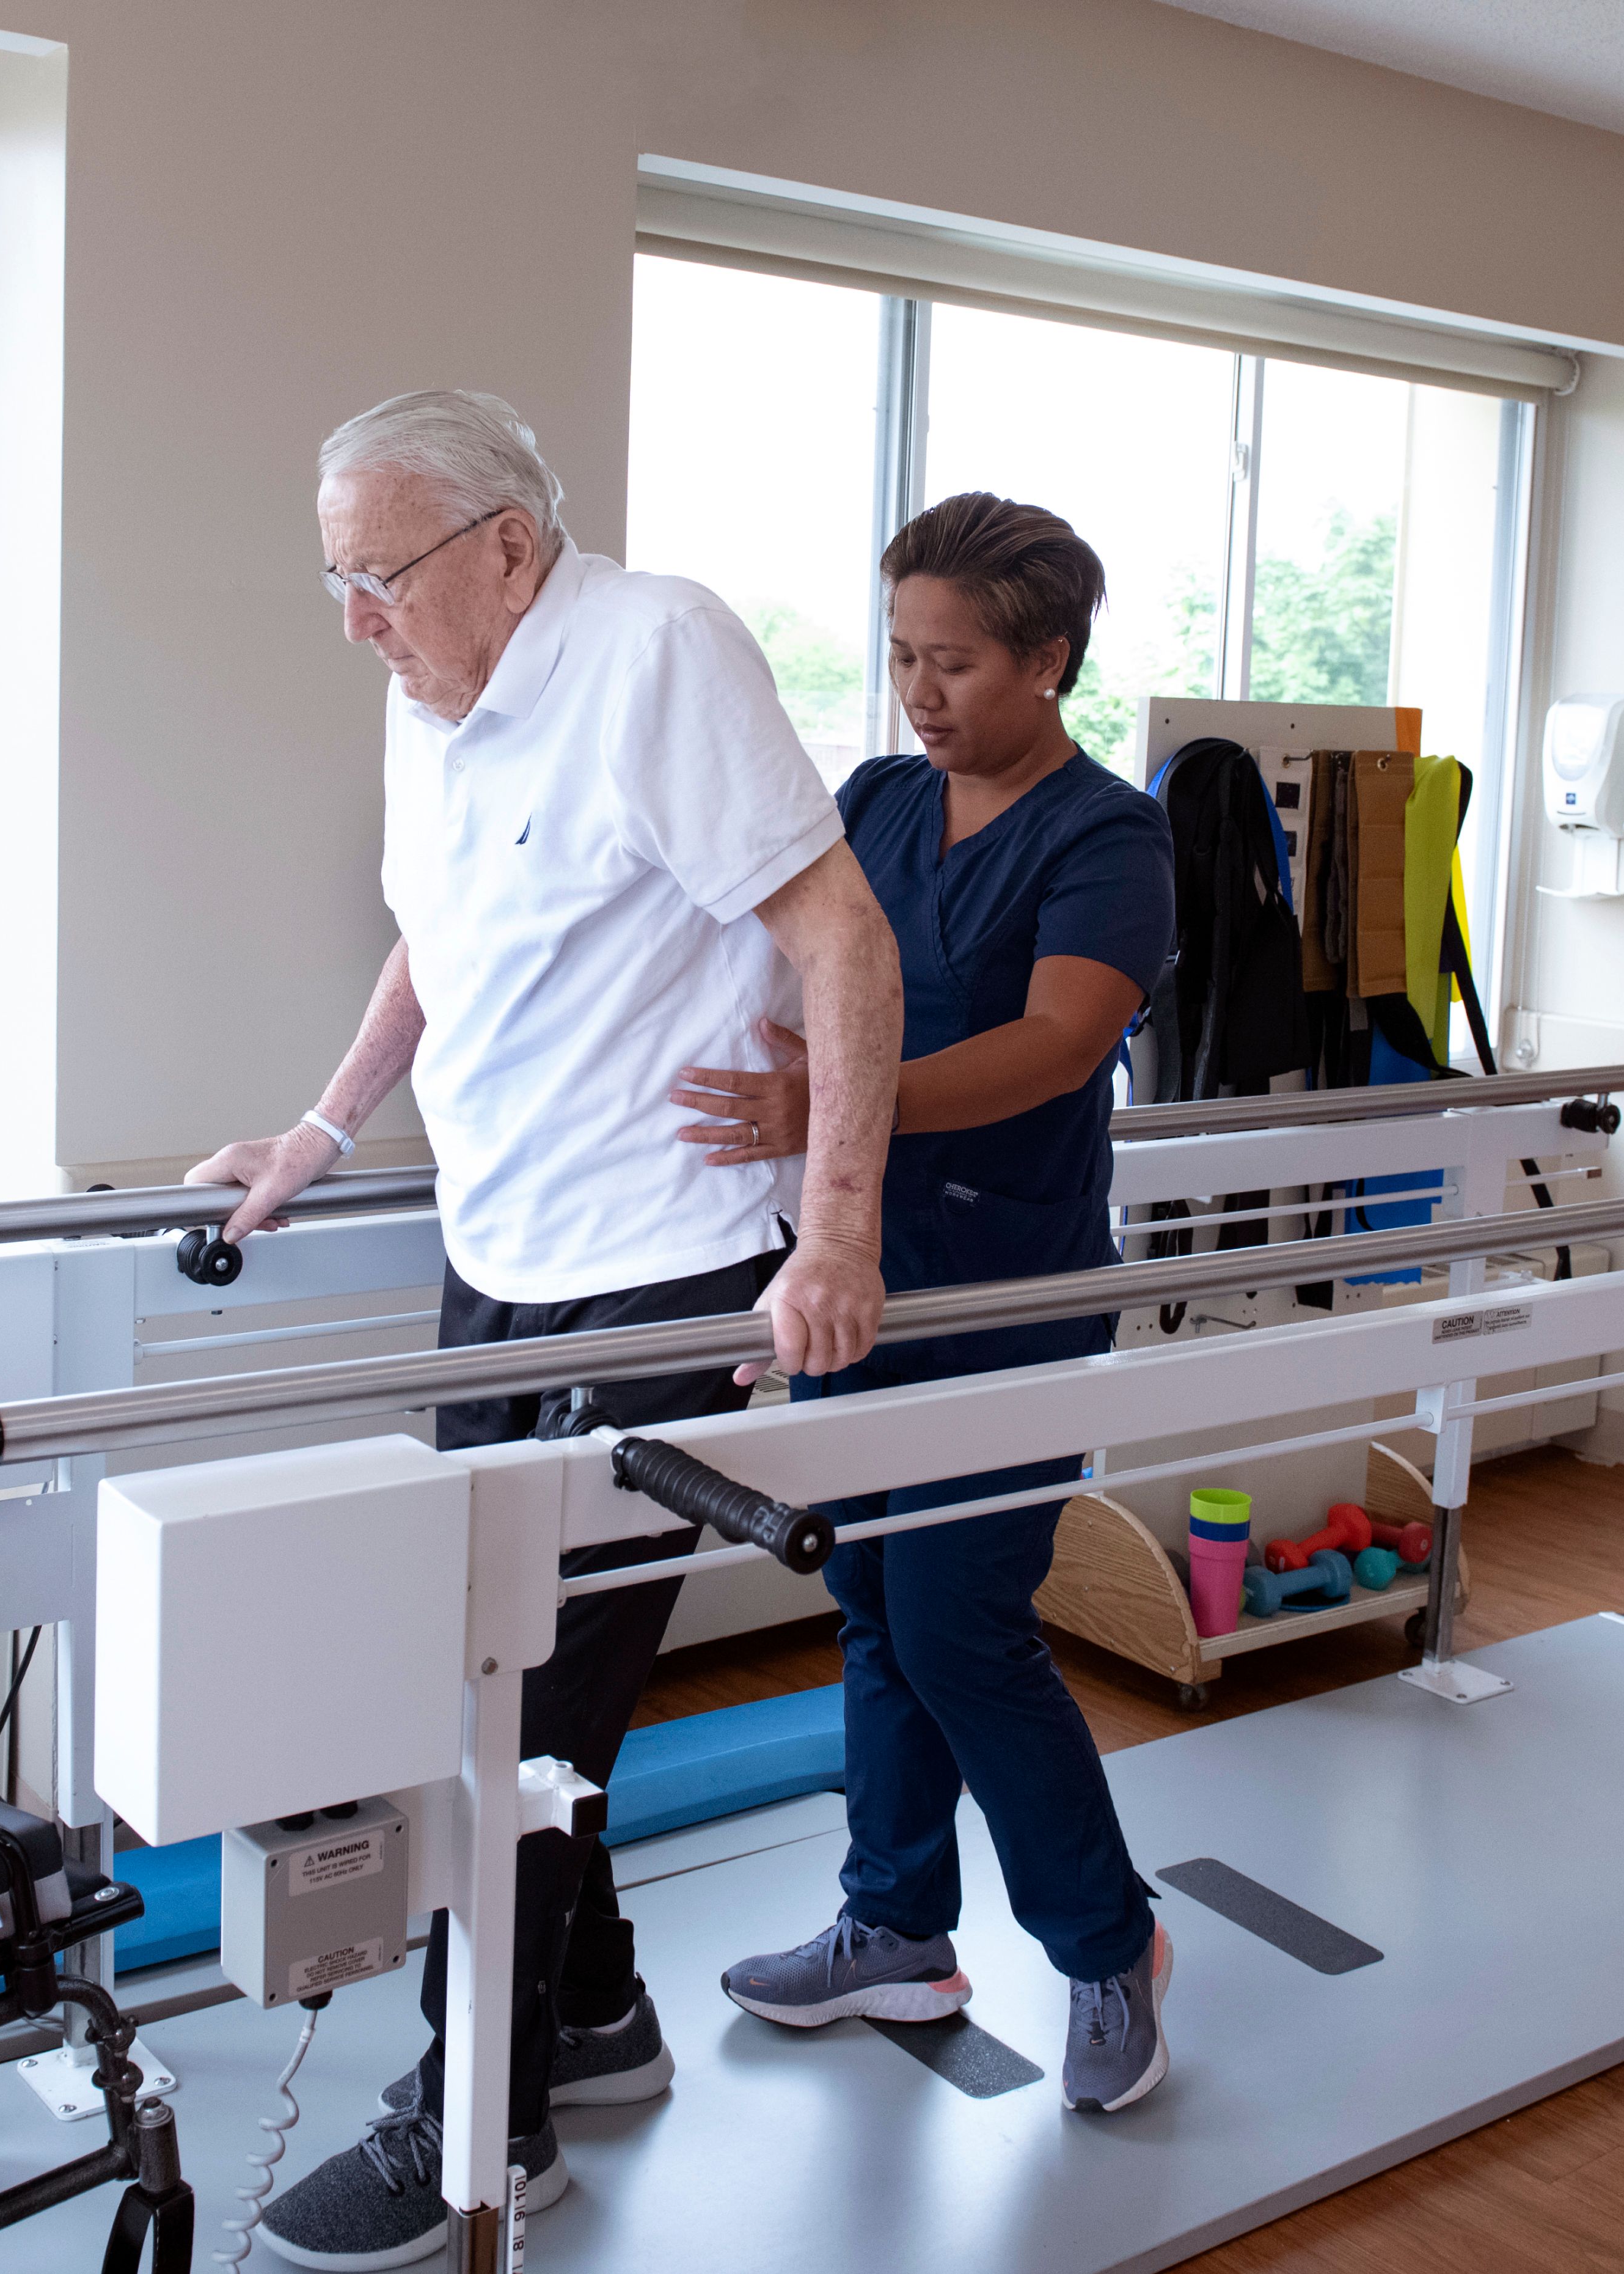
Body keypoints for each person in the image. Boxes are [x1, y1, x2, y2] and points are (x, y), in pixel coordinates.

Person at [192, 390, 903, 2269]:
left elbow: (840, 933)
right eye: (335, 580)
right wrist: (326, 1125)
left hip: (663, 1266)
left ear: (509, 543)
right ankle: (589, 2008)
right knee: (497, 1675)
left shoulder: (654, 647)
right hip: (494, 1254)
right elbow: (439, 931)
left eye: (383, 575)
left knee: (516, 1708)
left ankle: (479, 2124)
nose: (356, 619)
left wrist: (833, 1226)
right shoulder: (434, 683)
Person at [668, 491, 1180, 2114]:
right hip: (865, 1278)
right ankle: (896, 1925)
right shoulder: (879, 800)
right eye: (899, 653)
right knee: (879, 1607)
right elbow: (776, 957)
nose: (917, 689)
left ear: (1050, 660)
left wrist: (840, 1104)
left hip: (1013, 1293)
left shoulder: (1112, 834)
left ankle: (1111, 1943)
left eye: (953, 660)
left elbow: (1057, 1042)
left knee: (960, 1620)